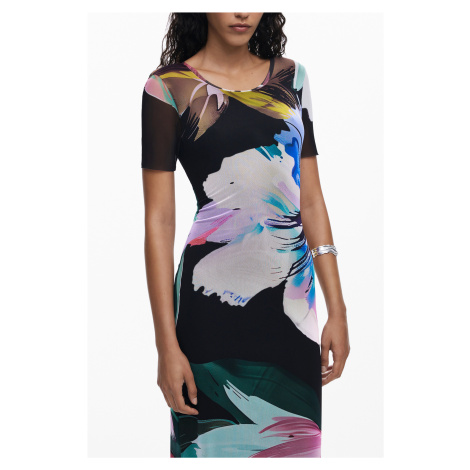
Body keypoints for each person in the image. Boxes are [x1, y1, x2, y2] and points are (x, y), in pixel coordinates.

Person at [141, 12, 350, 458]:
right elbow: (158, 221)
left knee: (289, 446)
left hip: (292, 310)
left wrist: (338, 309)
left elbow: (310, 200)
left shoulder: (292, 79)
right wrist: (165, 345)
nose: (242, 12)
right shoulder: (168, 88)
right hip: (208, 307)